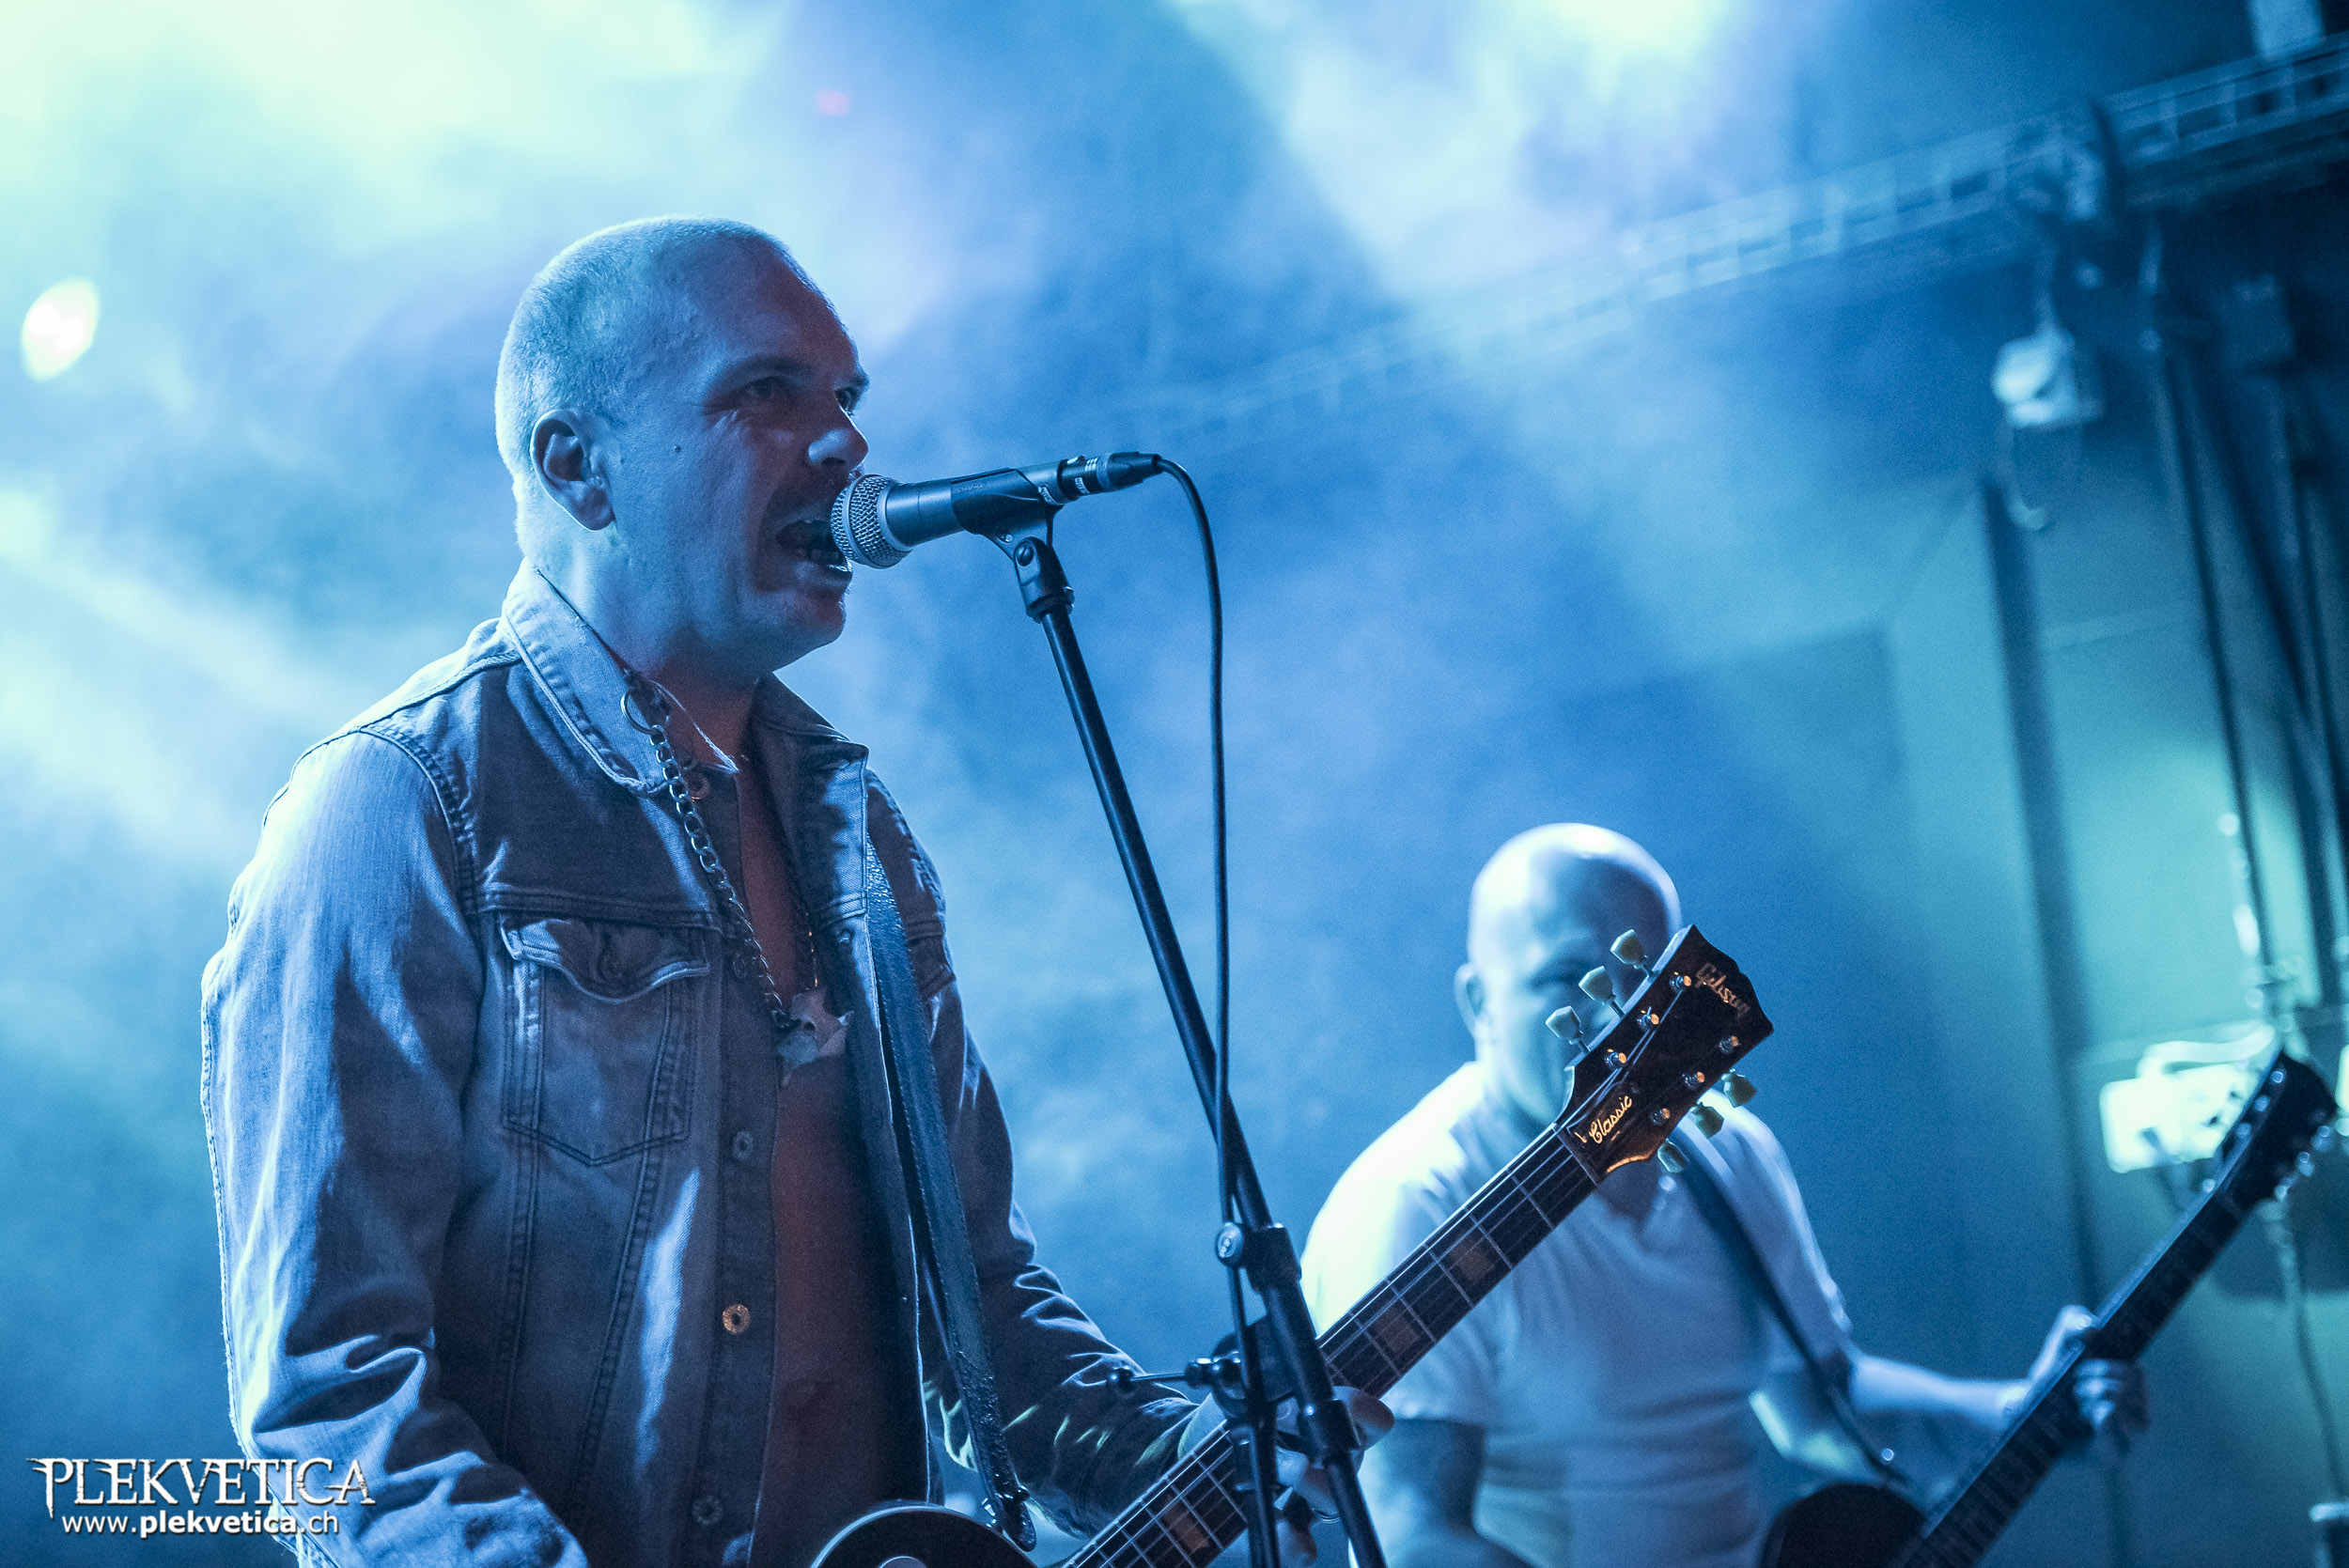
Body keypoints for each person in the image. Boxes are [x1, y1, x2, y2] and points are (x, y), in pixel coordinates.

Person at [203, 217, 1377, 1568]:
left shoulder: (856, 833)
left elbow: (982, 1301)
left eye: (847, 396)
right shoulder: (400, 806)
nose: (846, 443)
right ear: (580, 467)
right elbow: (331, 1398)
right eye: (767, 391)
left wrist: (1189, 1453)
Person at [1299, 824, 2144, 1568]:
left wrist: (2025, 1413)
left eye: (1640, 976)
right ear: (1478, 1002)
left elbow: (1823, 1409)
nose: (1614, 1014)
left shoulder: (1726, 1153)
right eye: (1566, 975)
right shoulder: (1416, 1198)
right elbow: (1413, 1540)